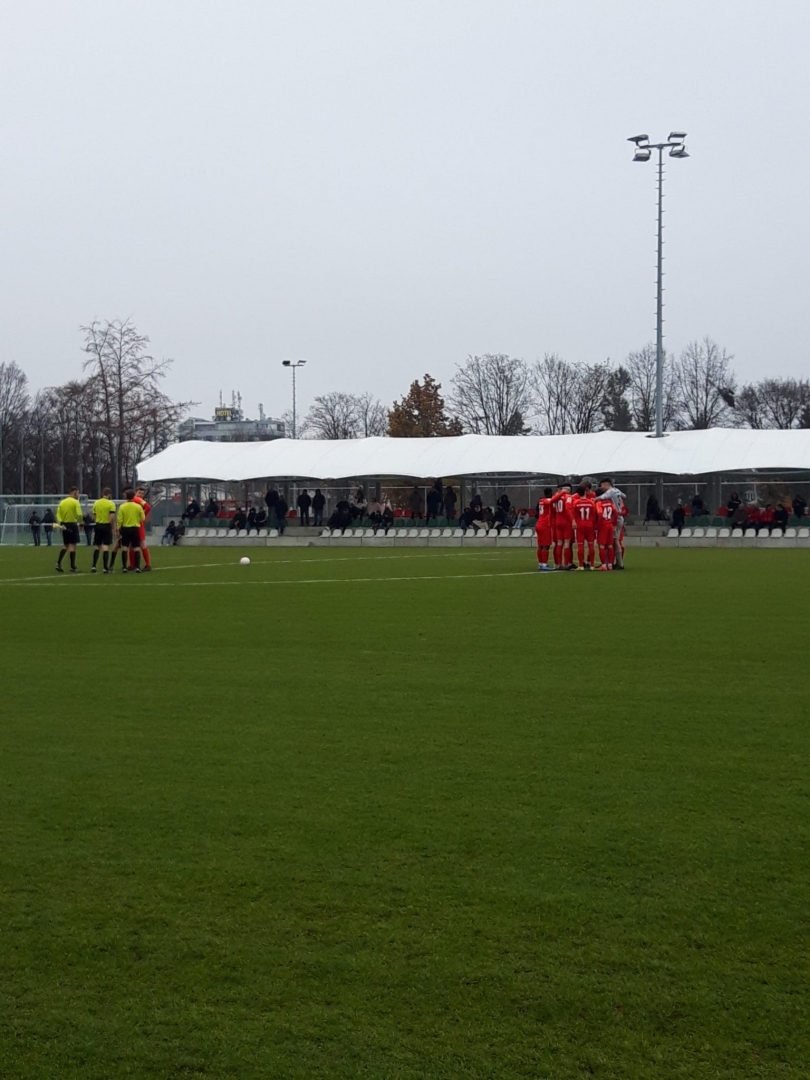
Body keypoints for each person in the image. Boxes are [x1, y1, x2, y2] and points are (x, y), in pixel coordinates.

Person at [595, 478, 626, 569]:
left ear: (606, 484)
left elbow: (601, 497)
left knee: (615, 541)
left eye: (602, 485)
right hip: (618, 517)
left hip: (615, 518)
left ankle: (619, 564)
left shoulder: (610, 491)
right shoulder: (617, 490)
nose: (601, 487)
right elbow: (624, 496)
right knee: (612, 542)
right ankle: (610, 563)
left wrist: (593, 500)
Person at [55, 487, 84, 573]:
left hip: (64, 524)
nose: (78, 495)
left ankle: (58, 563)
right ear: (74, 493)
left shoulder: (62, 502)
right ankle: (72, 566)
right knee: (73, 546)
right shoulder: (75, 502)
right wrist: (81, 523)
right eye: (78, 493)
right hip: (72, 524)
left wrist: (61, 523)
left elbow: (58, 514)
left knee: (66, 545)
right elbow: (79, 514)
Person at [116, 488, 145, 573]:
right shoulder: (138, 506)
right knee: (136, 547)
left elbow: (120, 519)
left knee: (125, 547)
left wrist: (118, 529)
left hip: (125, 528)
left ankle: (124, 567)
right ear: (133, 496)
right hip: (135, 528)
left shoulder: (122, 506)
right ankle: (137, 567)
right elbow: (143, 518)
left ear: (126, 496)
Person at [91, 488, 117, 573]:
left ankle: (94, 566)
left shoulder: (96, 503)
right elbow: (112, 517)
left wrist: (97, 522)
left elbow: (94, 516)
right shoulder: (111, 503)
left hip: (98, 525)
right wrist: (113, 528)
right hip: (106, 525)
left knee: (97, 545)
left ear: (102, 494)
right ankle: (105, 568)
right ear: (109, 495)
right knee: (105, 546)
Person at [551, 483, 576, 570]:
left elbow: (552, 502)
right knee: (567, 543)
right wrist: (572, 520)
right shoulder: (568, 497)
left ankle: (558, 564)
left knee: (559, 543)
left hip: (558, 522)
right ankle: (566, 564)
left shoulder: (556, 497)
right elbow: (568, 509)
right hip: (566, 522)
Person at [573, 485, 597, 569]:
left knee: (580, 545)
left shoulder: (576, 503)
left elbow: (574, 514)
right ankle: (592, 565)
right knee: (591, 545)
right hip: (590, 525)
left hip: (580, 525)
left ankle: (581, 565)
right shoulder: (591, 502)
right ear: (585, 492)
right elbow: (594, 515)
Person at [595, 496, 619, 570]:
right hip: (610, 524)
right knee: (610, 545)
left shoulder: (599, 503)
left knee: (601, 545)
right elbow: (616, 513)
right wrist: (614, 523)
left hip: (603, 525)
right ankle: (610, 565)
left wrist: (597, 527)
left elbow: (600, 514)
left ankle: (603, 565)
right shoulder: (610, 502)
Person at [132, 486, 153, 571]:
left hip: (137, 524)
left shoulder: (137, 499)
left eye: (142, 493)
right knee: (133, 545)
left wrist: (142, 516)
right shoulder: (135, 500)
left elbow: (148, 507)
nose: (141, 495)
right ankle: (133, 565)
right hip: (135, 524)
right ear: (135, 492)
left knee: (141, 544)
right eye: (139, 492)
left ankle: (147, 565)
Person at [535, 487, 554, 570]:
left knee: (540, 545)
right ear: (550, 493)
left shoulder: (541, 501)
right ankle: (544, 564)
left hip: (538, 524)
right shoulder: (547, 501)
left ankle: (540, 564)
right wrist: (563, 492)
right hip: (545, 525)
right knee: (546, 546)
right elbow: (554, 499)